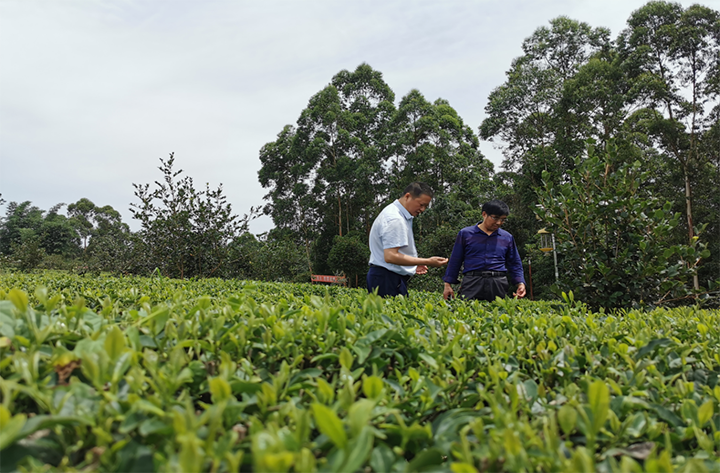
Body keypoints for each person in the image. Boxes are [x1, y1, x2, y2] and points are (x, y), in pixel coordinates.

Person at [367, 182, 448, 297]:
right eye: (421, 204)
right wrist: (427, 261)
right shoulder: (395, 219)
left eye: (425, 206)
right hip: (387, 278)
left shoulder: (398, 214)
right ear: (407, 196)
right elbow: (390, 256)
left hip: (385, 276)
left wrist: (412, 265)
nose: (423, 209)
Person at [443, 199, 526, 301]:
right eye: (495, 218)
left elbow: (515, 263)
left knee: (498, 314)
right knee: (468, 312)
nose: (499, 222)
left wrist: (520, 283)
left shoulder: (507, 237)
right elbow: (455, 260)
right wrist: (447, 284)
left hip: (498, 283)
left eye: (503, 219)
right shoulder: (465, 234)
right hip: (472, 282)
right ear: (484, 214)